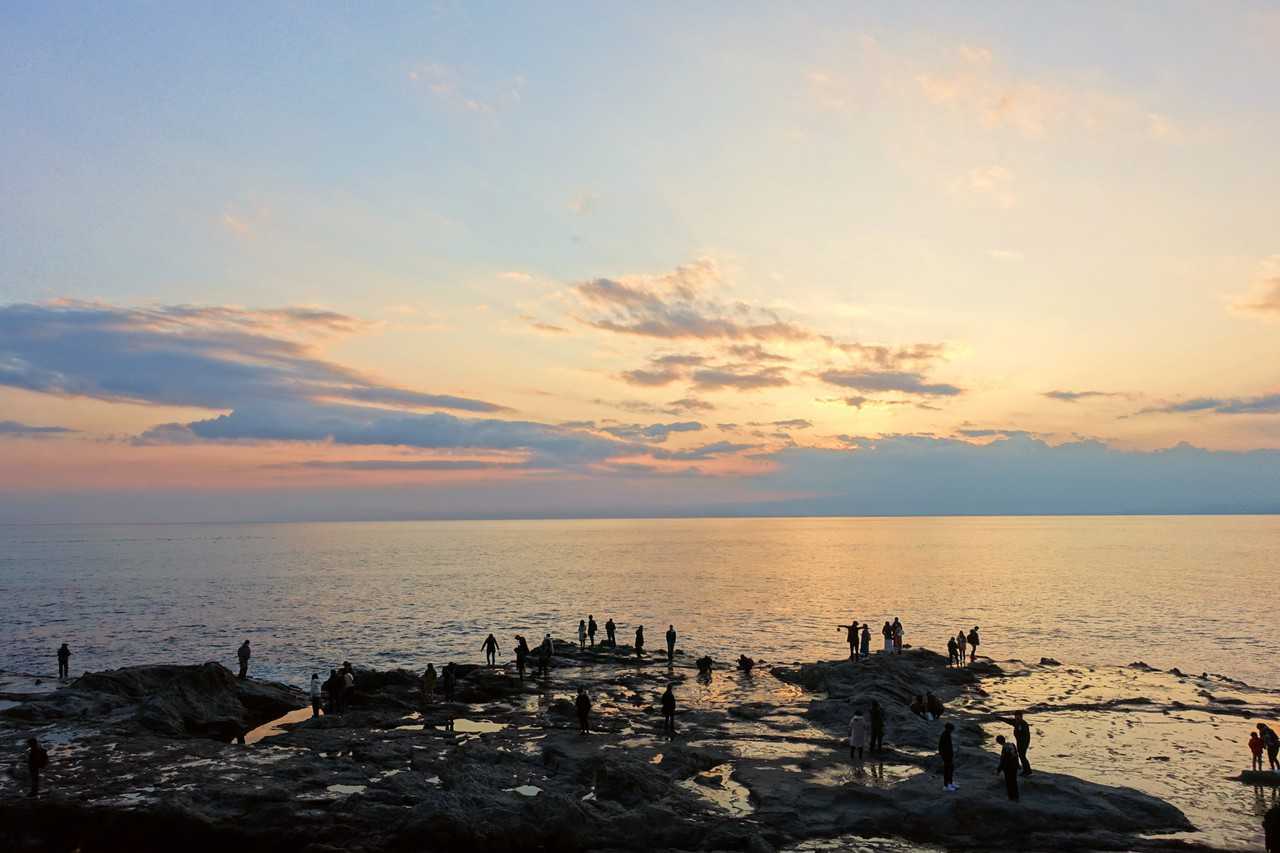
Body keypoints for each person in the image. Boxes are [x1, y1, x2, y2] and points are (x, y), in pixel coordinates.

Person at [996, 734, 1020, 801]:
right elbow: (1016, 755)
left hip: (1008, 767)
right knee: (1014, 782)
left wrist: (999, 770)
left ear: (999, 742)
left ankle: (1011, 798)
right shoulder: (1012, 744)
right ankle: (1016, 797)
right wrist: (1018, 764)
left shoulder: (1004, 748)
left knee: (1009, 783)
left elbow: (1004, 760)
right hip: (1014, 766)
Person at [1012, 710, 1032, 775]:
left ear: (1021, 716)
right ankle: (1026, 770)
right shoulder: (1016, 722)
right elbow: (1009, 721)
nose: (1016, 718)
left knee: (1022, 756)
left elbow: (1026, 735)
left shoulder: (1023, 724)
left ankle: (1027, 771)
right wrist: (999, 718)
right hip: (1019, 742)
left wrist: (1023, 743)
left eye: (1018, 717)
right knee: (1021, 756)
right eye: (1015, 717)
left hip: (1023, 742)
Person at [939, 722, 957, 791]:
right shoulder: (944, 735)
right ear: (948, 729)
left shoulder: (947, 734)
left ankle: (951, 783)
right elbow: (941, 747)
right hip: (946, 756)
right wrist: (943, 755)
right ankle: (946, 786)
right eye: (951, 729)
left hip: (949, 755)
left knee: (951, 769)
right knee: (947, 770)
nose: (952, 731)